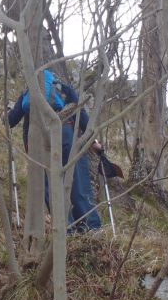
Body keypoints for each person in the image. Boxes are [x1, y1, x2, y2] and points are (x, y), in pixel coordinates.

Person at [6, 69, 102, 233]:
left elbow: (11, 120)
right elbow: (83, 117)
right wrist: (93, 141)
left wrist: (4, 114)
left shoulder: (28, 93)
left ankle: (67, 230)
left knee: (50, 186)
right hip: (65, 134)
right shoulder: (63, 88)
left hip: (38, 142)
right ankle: (91, 229)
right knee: (77, 181)